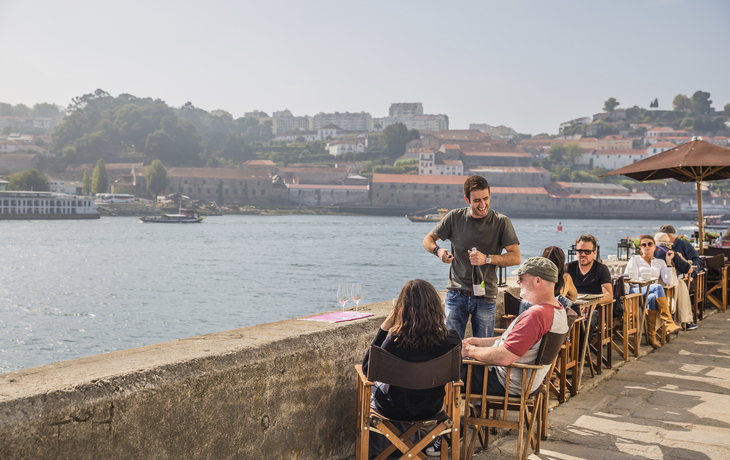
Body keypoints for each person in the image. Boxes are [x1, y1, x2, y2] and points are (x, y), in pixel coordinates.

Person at [361, 279, 461, 457]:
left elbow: (367, 370)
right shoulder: (452, 340)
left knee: (376, 387)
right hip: (432, 408)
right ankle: (412, 446)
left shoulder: (394, 341)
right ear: (436, 307)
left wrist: (384, 327)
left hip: (394, 409)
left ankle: (384, 451)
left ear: (402, 308)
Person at [423, 175, 521, 340]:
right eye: (477, 201)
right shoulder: (455, 217)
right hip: (456, 294)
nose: (482, 204)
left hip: (486, 296)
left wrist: (487, 259)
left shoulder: (502, 222)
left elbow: (516, 257)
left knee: (482, 350)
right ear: (467, 199)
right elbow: (428, 240)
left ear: (490, 195)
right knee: (451, 346)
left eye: (485, 199)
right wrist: (438, 251)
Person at [461, 257, 569, 396]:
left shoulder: (537, 315)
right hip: (524, 382)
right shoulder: (558, 310)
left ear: (538, 281)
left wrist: (469, 350)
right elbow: (517, 344)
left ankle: (445, 409)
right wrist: (481, 342)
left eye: (521, 278)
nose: (518, 282)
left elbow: (505, 357)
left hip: (503, 381)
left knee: (446, 368)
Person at [624, 235, 683, 348]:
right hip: (636, 291)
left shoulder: (660, 262)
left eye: (650, 244)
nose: (647, 246)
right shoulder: (635, 259)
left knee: (652, 297)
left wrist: (669, 262)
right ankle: (669, 322)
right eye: (644, 245)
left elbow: (669, 281)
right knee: (657, 287)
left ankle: (651, 336)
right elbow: (630, 280)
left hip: (650, 293)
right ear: (640, 248)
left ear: (655, 246)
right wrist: (643, 282)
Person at [655, 225, 699, 330]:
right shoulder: (671, 253)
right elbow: (689, 269)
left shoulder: (648, 251)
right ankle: (686, 321)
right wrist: (681, 258)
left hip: (651, 286)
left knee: (680, 283)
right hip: (667, 286)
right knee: (681, 285)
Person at [518, 246, 577, 315]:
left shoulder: (538, 277)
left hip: (533, 313)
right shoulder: (565, 277)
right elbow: (574, 297)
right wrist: (565, 295)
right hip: (555, 315)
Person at [566, 234, 613, 306]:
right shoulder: (568, 268)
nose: (583, 254)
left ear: (594, 253)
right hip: (571, 307)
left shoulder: (601, 269)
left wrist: (594, 302)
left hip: (593, 308)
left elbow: (609, 295)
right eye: (580, 251)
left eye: (587, 251)